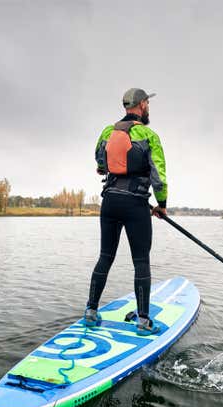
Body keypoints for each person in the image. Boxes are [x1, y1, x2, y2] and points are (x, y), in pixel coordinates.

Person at [84, 88, 168, 335]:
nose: (148, 107)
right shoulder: (149, 134)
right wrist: (161, 205)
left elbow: (100, 161)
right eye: (147, 104)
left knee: (105, 256)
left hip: (109, 202)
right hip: (135, 205)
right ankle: (143, 322)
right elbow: (159, 176)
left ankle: (90, 311)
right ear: (142, 105)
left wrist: (104, 167)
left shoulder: (108, 131)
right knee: (141, 261)